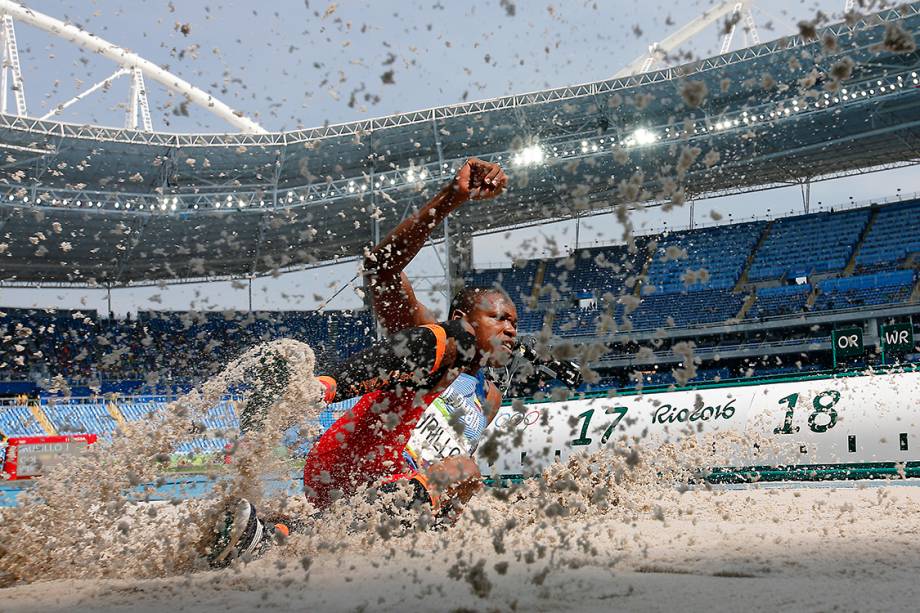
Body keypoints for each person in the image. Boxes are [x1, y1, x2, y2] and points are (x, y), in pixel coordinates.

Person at [210, 159, 514, 567]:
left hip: (395, 488)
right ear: (463, 319)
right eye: (499, 318)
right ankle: (323, 388)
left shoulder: (489, 398)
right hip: (348, 462)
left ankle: (280, 533)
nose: (511, 329)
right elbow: (381, 267)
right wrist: (450, 199)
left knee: (465, 474)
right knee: (464, 467)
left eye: (514, 322)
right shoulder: (431, 334)